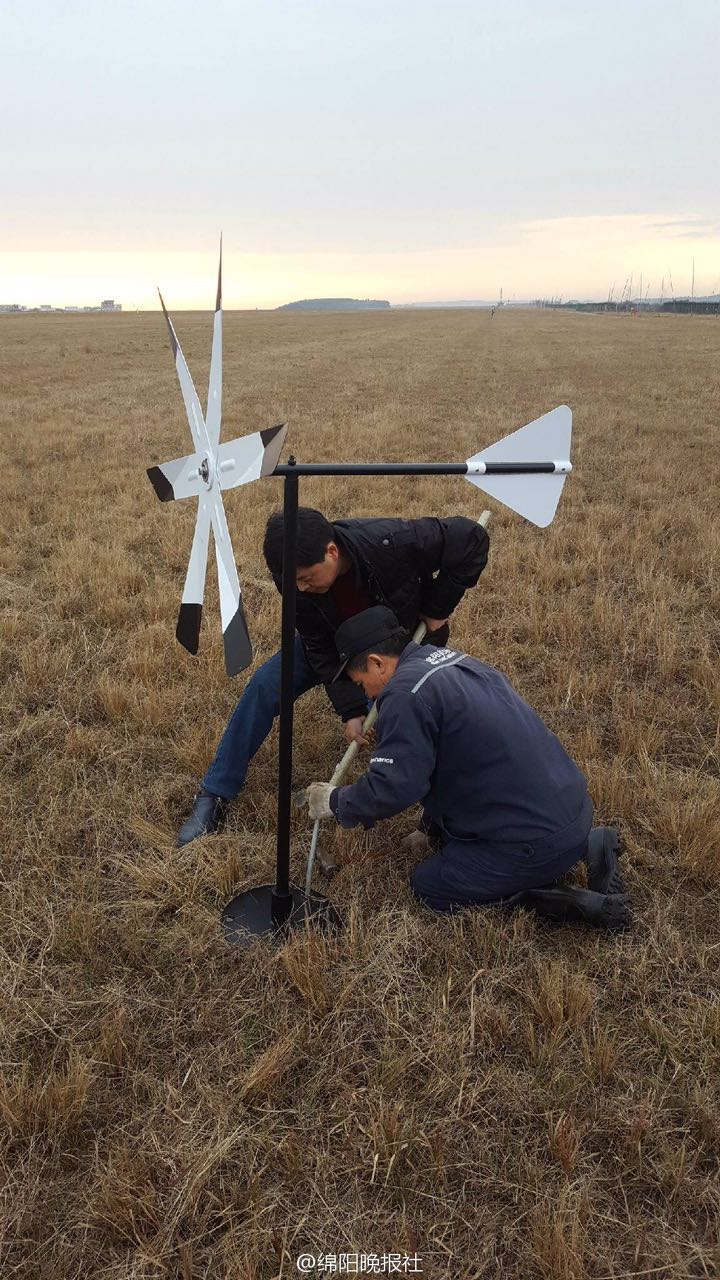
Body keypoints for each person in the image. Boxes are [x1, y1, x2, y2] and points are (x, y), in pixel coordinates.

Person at [297, 606, 630, 929]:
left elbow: (393, 788)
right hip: (572, 810)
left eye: (361, 683)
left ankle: (558, 898)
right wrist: (429, 827)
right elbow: (456, 755)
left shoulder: (403, 695)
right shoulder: (450, 660)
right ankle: (589, 843)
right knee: (451, 843)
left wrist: (335, 801)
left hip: (536, 841)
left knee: (431, 885)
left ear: (377, 663)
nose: (366, 694)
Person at [177, 508, 490, 845]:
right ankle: (215, 793)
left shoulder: (391, 542)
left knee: (409, 721)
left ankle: (441, 818)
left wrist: (438, 607)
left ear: (332, 552)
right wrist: (351, 709)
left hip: (393, 647)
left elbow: (471, 538)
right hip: (332, 644)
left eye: (306, 578)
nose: (300, 587)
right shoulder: (292, 579)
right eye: (293, 582)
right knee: (264, 687)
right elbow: (318, 644)